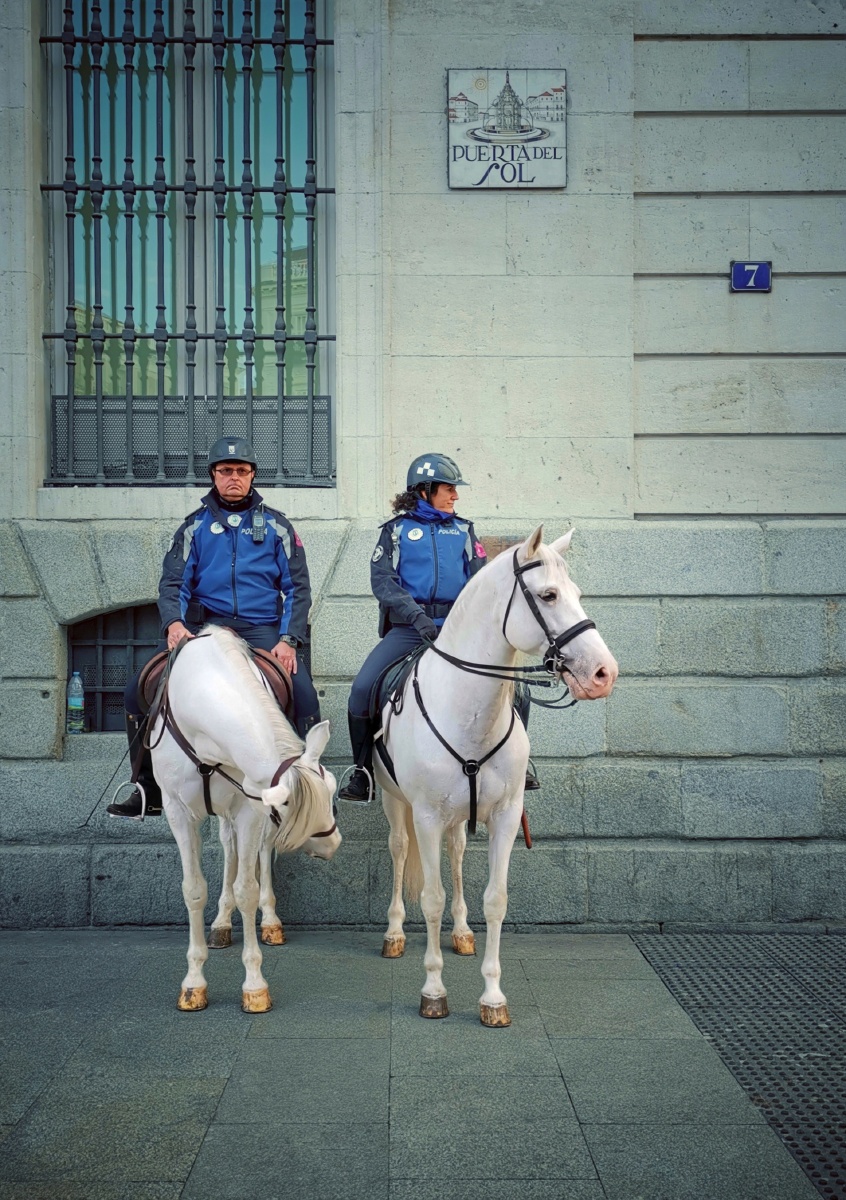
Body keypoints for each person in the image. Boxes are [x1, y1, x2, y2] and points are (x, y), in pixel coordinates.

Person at [107, 437, 321, 820]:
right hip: (206, 630)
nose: (234, 478)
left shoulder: (278, 526)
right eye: (226, 471)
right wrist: (174, 623)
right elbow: (173, 584)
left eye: (241, 471)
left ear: (253, 475)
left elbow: (297, 588)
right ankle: (146, 786)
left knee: (304, 695)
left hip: (261, 630)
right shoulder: (194, 527)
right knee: (135, 690)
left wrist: (289, 640)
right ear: (213, 476)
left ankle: (310, 786)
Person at [338, 452, 537, 802]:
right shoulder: (395, 532)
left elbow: (480, 581)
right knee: (362, 689)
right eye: (448, 489)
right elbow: (383, 582)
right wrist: (417, 617)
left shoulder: (463, 530)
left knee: (519, 691)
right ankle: (362, 772)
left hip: (457, 634)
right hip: (409, 630)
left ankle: (520, 765)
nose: (455, 496)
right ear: (425, 490)